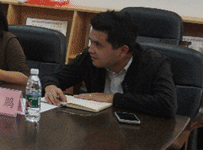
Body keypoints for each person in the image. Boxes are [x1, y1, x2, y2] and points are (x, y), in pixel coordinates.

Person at [44, 11, 176, 117]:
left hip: (140, 133)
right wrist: (50, 86)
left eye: (98, 45)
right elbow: (53, 77)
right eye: (91, 42)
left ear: (123, 51)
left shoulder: (154, 63)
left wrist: (113, 98)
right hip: (97, 128)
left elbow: (167, 105)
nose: (91, 49)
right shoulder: (89, 58)